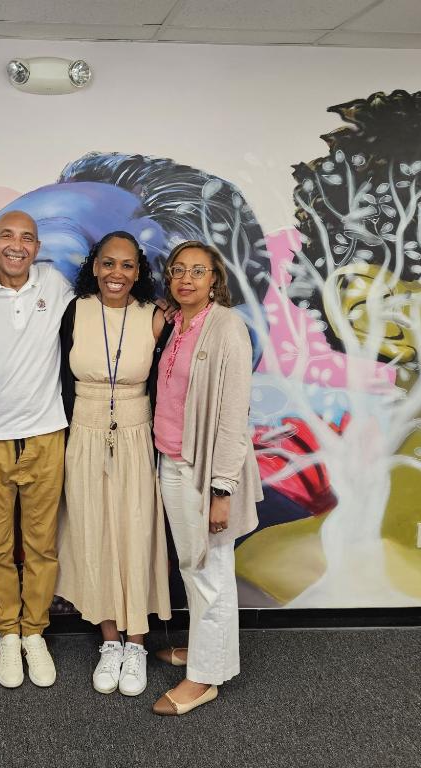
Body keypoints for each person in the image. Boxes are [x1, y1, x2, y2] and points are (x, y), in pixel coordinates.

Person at [148, 240, 263, 716]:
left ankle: (204, 677)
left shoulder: (228, 327)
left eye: (198, 271)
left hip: (204, 472)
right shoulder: (176, 322)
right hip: (171, 461)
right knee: (194, 566)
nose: (186, 279)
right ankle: (204, 648)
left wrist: (221, 491)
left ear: (215, 278)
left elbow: (234, 417)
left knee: (209, 572)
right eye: (178, 270)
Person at [56, 231, 171, 697]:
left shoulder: (156, 317)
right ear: (95, 266)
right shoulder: (73, 310)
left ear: (139, 270)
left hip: (136, 434)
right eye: (108, 264)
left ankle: (137, 642)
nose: (116, 274)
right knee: (92, 531)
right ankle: (109, 641)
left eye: (126, 265)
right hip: (82, 435)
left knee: (136, 532)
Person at [0, 209, 73, 688]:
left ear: (37, 247)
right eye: (8, 236)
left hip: (46, 433)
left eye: (27, 238)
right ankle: (6, 634)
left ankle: (34, 632)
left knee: (41, 545)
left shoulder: (53, 283)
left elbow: (104, 307)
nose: (17, 245)